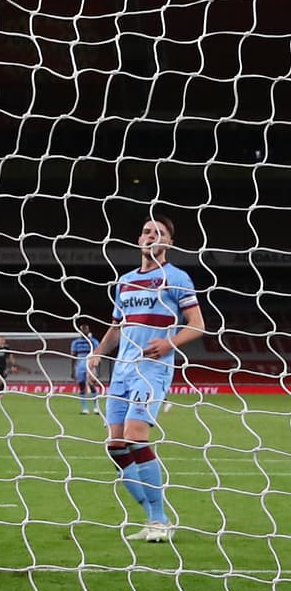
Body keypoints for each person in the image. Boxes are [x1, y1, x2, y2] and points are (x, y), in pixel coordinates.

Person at [86, 216, 204, 543]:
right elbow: (117, 327)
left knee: (136, 436)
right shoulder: (124, 281)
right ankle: (152, 515)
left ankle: (160, 519)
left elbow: (197, 324)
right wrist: (98, 352)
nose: (151, 236)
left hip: (152, 368)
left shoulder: (176, 277)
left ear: (168, 243)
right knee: (115, 446)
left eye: (159, 233)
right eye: (147, 231)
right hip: (122, 370)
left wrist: (169, 343)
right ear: (140, 239)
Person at [71, 322, 97, 414]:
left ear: (88, 331)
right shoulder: (76, 342)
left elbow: (97, 354)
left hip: (90, 363)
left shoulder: (93, 341)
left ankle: (96, 407)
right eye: (82, 330)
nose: (84, 331)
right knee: (82, 385)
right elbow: (73, 356)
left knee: (92, 385)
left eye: (86, 329)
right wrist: (73, 370)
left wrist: (96, 367)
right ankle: (85, 409)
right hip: (80, 365)